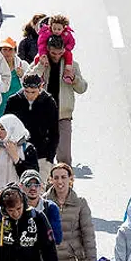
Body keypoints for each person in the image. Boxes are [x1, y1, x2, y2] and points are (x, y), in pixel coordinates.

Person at [26, 34, 86, 167]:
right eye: (53, 53)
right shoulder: (40, 61)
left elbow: (82, 88)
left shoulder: (72, 65)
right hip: (42, 116)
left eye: (60, 53)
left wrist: (74, 78)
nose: (57, 56)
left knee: (64, 157)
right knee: (43, 156)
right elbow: (26, 80)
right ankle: (44, 184)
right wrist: (41, 66)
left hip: (63, 116)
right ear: (47, 49)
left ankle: (65, 186)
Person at [3, 72, 58, 174]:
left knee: (40, 188)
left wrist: (50, 158)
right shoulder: (13, 101)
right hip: (19, 152)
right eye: (27, 91)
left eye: (33, 92)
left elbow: (54, 132)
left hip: (42, 155)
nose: (29, 95)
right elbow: (5, 126)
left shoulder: (49, 102)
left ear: (40, 87)